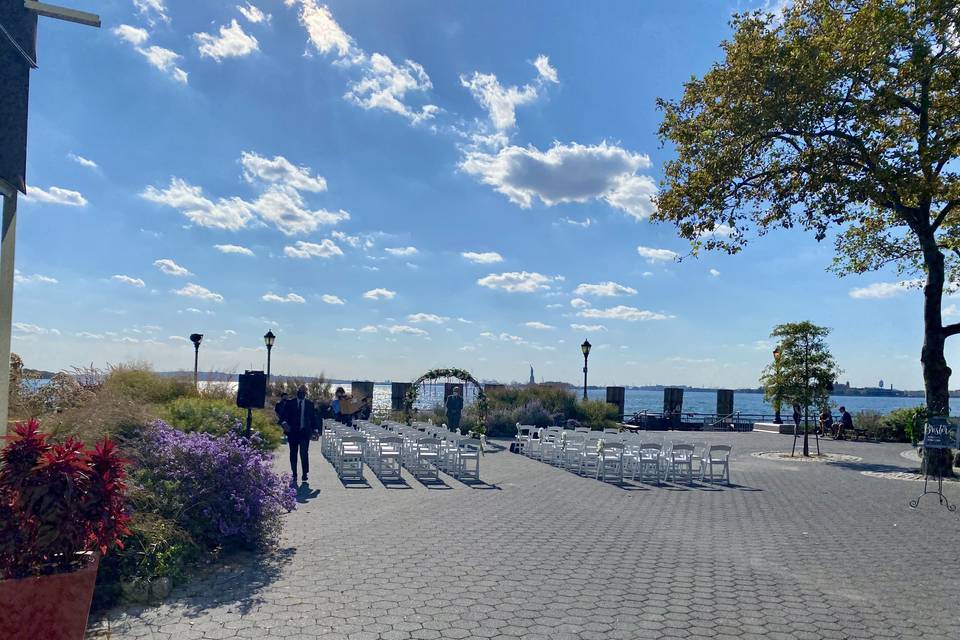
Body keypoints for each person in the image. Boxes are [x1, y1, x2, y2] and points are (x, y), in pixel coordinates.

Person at [280, 385, 318, 484]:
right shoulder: (290, 403)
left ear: (305, 393)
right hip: (292, 432)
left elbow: (313, 418)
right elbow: (282, 417)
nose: (301, 393)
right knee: (293, 453)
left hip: (304, 432)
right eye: (300, 392)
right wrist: (284, 424)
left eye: (303, 392)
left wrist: (316, 431)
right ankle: (294, 473)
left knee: (304, 453)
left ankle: (305, 473)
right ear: (297, 393)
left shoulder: (309, 404)